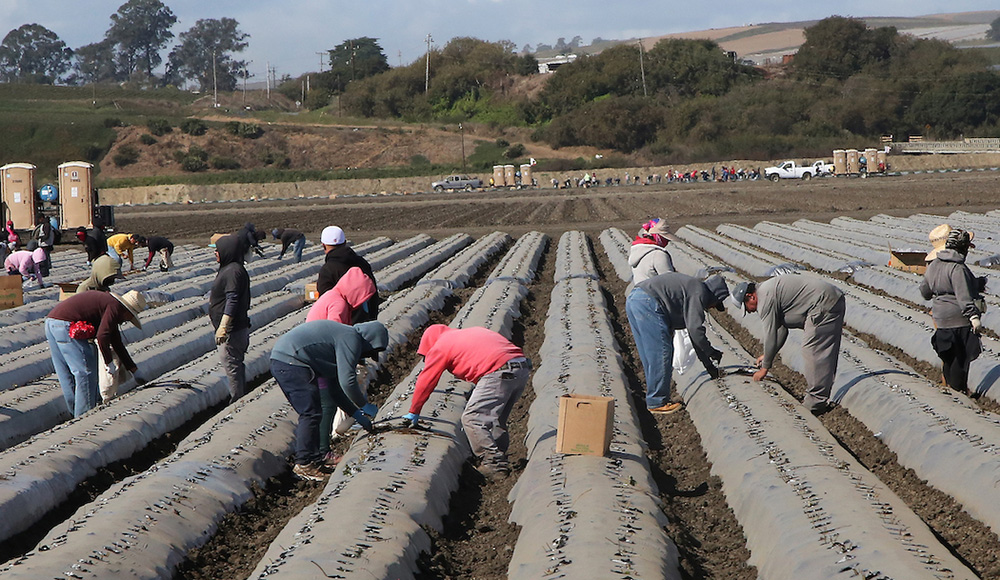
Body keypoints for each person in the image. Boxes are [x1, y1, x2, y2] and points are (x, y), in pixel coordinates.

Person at [402, 325, 531, 479]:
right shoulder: (468, 333)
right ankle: (498, 457)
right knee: (496, 417)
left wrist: (414, 411)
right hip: (521, 367)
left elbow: (427, 380)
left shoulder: (441, 345)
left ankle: (493, 464)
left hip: (498, 370)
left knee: (472, 418)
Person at [270, 320, 388, 481]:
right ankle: (303, 464)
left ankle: (315, 459)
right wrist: (364, 405)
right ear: (369, 341)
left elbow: (335, 390)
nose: (364, 356)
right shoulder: (351, 338)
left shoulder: (340, 341)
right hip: (291, 361)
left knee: (313, 411)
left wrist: (358, 415)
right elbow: (348, 382)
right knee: (310, 412)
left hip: (288, 359)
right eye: (368, 352)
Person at [731, 274, 846, 415]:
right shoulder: (766, 291)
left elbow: (770, 335)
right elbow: (781, 331)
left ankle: (815, 405)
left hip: (823, 304)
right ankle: (817, 401)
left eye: (747, 307)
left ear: (751, 297)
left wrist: (764, 369)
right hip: (826, 301)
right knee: (817, 350)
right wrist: (767, 355)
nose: (749, 311)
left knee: (813, 351)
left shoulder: (764, 299)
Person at [625, 273, 729, 414]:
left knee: (649, 354)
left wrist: (710, 367)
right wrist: (711, 352)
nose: (711, 308)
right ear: (715, 296)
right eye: (715, 305)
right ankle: (657, 401)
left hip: (635, 299)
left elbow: (694, 337)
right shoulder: (699, 292)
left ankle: (654, 399)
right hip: (648, 302)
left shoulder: (693, 288)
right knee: (661, 352)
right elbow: (695, 330)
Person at [305, 266, 377, 464]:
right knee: (327, 403)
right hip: (317, 359)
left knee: (331, 398)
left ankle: (321, 448)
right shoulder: (338, 303)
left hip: (319, 357)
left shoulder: (334, 297)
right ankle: (321, 451)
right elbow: (333, 336)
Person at [45, 289, 146, 417]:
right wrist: (108, 363)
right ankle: (83, 416)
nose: (127, 320)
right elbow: (102, 336)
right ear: (127, 311)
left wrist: (134, 370)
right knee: (86, 373)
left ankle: (74, 413)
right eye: (130, 317)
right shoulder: (115, 308)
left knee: (66, 372)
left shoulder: (110, 305)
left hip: (51, 322)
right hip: (66, 326)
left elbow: (116, 343)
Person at [919, 225, 984, 397]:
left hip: (941, 321)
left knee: (948, 359)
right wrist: (974, 317)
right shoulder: (958, 269)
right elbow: (963, 296)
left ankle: (950, 391)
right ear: (963, 248)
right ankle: (958, 394)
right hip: (959, 321)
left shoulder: (934, 265)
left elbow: (925, 291)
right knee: (960, 361)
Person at [209, 234, 252, 404]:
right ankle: (240, 397)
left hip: (233, 332)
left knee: (232, 368)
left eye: (218, 251)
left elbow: (232, 298)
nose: (216, 254)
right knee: (236, 366)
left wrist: (224, 326)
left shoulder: (233, 271)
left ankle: (237, 401)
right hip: (236, 329)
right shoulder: (231, 268)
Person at [317, 225, 379, 322]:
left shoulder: (327, 270)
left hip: (342, 325)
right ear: (345, 243)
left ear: (323, 245)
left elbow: (325, 301)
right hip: (364, 321)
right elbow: (373, 293)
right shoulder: (361, 263)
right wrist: (372, 319)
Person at [629, 218, 677, 285]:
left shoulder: (636, 251)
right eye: (665, 238)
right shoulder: (658, 255)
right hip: (655, 294)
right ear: (658, 236)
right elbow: (670, 283)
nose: (667, 241)